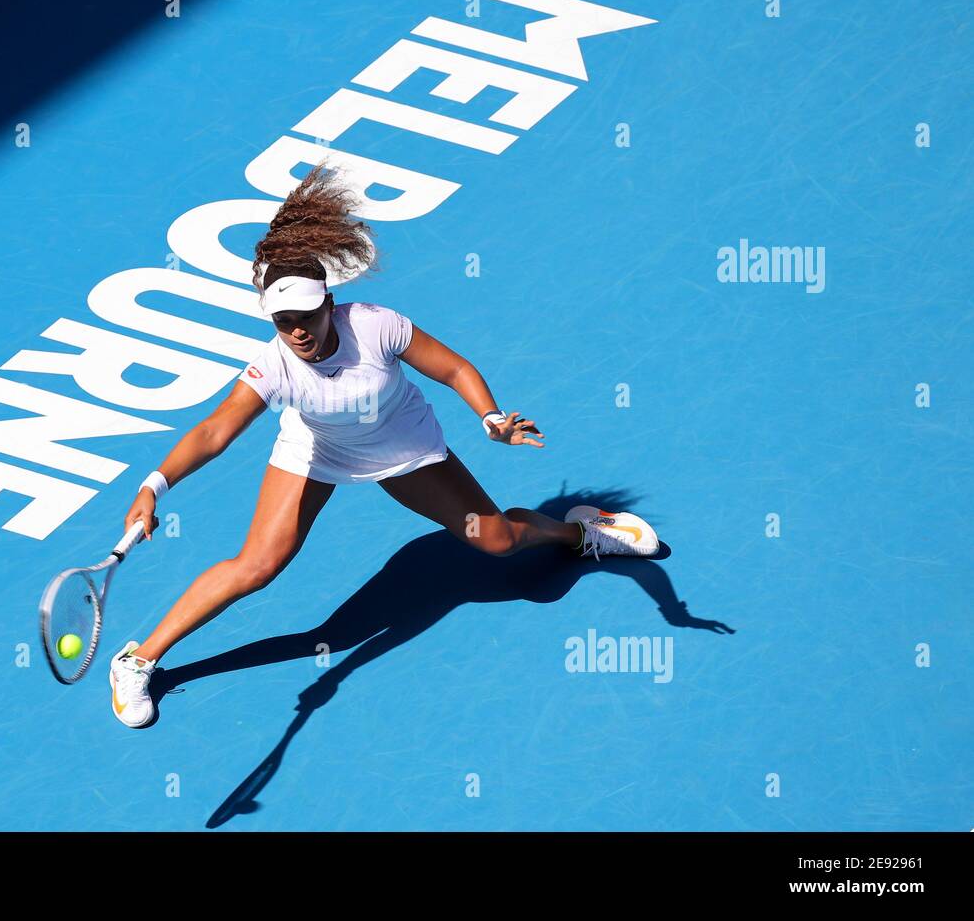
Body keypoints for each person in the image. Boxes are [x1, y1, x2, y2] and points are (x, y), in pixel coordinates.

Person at [110, 165, 658, 728]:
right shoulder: (272, 367)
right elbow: (214, 431)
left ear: (330, 303)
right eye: (283, 321)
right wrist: (154, 485)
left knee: (496, 541)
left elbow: (452, 367)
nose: (296, 331)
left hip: (403, 451)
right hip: (315, 454)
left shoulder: (375, 326)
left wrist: (490, 417)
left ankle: (580, 530)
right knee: (259, 566)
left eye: (306, 316)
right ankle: (138, 659)